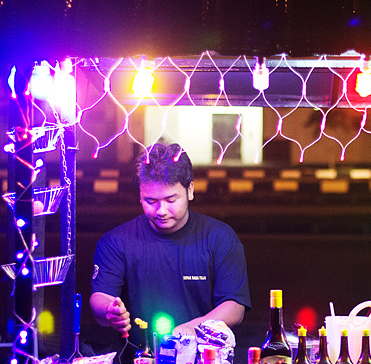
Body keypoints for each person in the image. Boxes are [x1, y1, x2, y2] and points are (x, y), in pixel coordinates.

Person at [90, 143, 251, 340]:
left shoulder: (220, 237)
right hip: (138, 362)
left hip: (205, 360)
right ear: (140, 196)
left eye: (171, 200)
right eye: (151, 201)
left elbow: (234, 307)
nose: (161, 211)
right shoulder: (116, 241)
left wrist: (187, 331)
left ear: (190, 190)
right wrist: (110, 311)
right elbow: (100, 296)